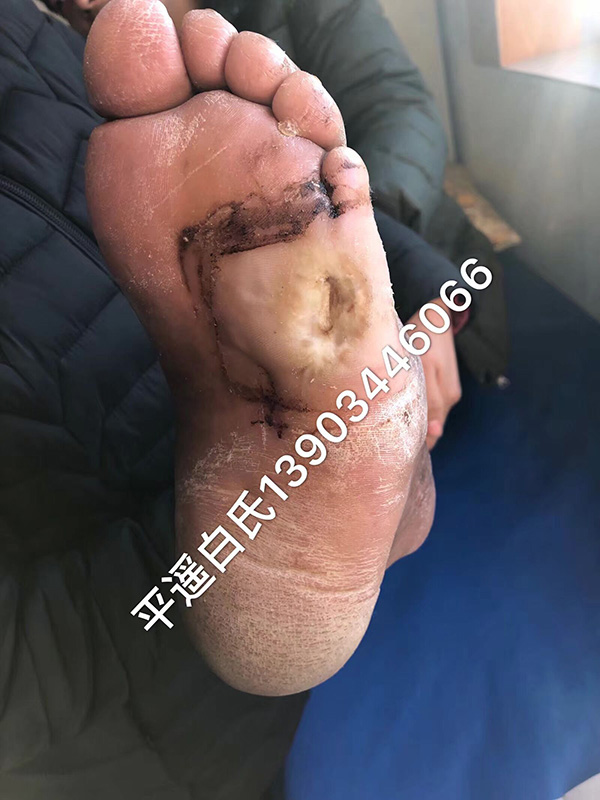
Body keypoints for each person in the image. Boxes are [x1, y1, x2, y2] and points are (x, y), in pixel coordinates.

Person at [0, 0, 504, 797]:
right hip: (140, 631)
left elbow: (381, 118)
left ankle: (297, 483)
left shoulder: (28, 37)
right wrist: (194, 558)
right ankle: (263, 538)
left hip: (176, 460)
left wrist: (420, 285)